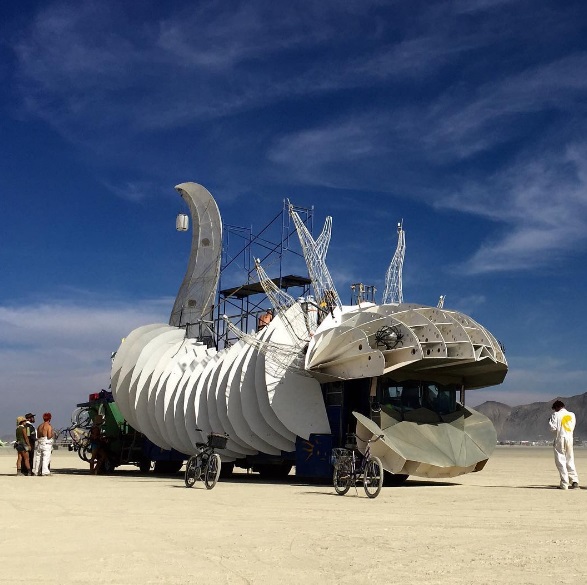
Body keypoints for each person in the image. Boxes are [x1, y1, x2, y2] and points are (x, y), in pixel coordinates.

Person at [549, 400, 579, 490]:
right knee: (570, 459)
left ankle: (564, 483)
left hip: (560, 438)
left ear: (557, 408)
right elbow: (572, 427)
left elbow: (552, 428)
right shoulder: (572, 414)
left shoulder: (556, 415)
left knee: (560, 460)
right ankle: (574, 481)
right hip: (570, 438)